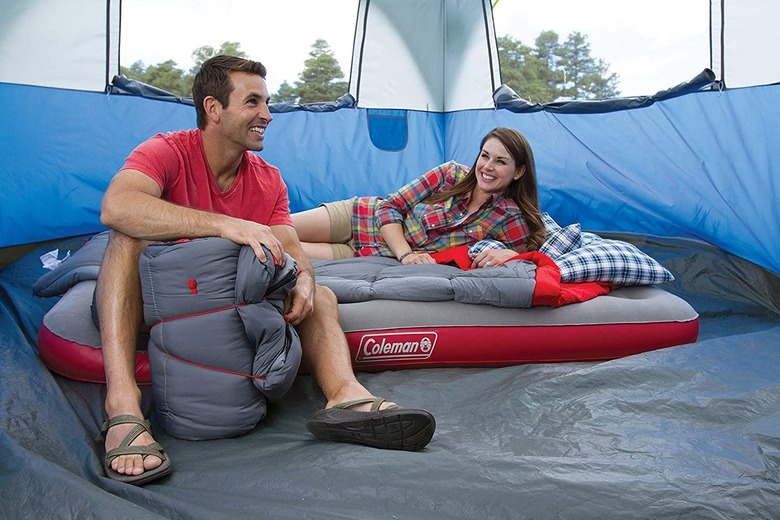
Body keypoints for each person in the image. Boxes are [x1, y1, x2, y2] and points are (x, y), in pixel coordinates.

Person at [95, 55, 436, 486]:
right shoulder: (166, 151)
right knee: (124, 237)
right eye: (253, 102)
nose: (267, 115)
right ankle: (123, 408)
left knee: (324, 294)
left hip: (231, 303)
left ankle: (346, 398)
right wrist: (224, 224)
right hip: (169, 298)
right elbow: (116, 206)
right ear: (213, 109)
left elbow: (293, 249)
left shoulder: (268, 178)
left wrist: (306, 282)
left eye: (268, 103)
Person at [292, 127, 546, 270]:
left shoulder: (509, 217)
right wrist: (406, 255)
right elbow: (391, 205)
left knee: (280, 246)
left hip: (369, 253)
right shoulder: (450, 174)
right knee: (277, 227)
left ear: (519, 172)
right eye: (484, 156)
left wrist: (510, 256)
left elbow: (533, 256)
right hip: (360, 217)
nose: (487, 166)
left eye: (500, 162)